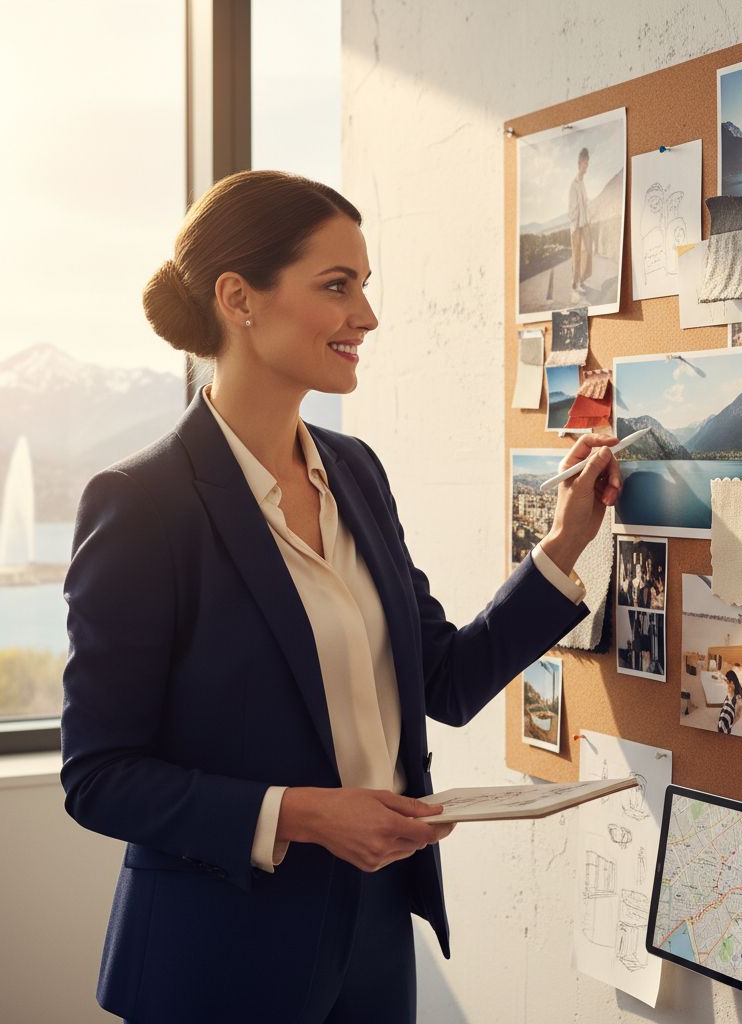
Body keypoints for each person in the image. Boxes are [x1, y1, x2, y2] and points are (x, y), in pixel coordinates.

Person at [59, 170, 622, 1024]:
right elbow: (99, 776)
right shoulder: (143, 504)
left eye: (364, 285)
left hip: (373, 934)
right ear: (239, 299)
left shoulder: (356, 474)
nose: (367, 315)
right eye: (337, 286)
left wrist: (566, 542)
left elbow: (445, 680)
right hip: (216, 957)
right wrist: (306, 815)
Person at [567, 146, 592, 296]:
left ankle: (580, 280)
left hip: (584, 224)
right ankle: (576, 284)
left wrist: (587, 220)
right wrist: (576, 225)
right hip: (576, 226)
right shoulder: (574, 184)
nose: (586, 167)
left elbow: (585, 203)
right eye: (584, 164)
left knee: (587, 252)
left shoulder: (582, 183)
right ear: (579, 164)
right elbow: (571, 209)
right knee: (576, 256)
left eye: (587, 164)